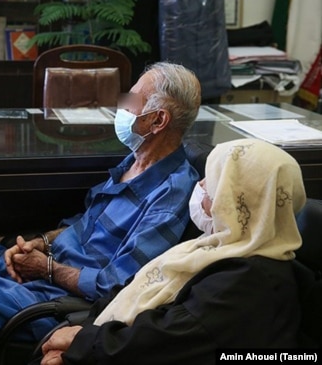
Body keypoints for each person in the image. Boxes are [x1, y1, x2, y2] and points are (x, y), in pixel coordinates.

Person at [0, 62, 202, 365]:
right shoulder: (132, 163)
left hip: (54, 299)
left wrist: (46, 269)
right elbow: (83, 225)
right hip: (41, 268)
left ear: (158, 120)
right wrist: (41, 242)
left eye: (132, 100)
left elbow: (119, 285)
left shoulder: (170, 192)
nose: (121, 107)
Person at [40, 138, 305, 365]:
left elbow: (162, 341)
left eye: (211, 184)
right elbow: (129, 288)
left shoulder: (250, 280)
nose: (200, 186)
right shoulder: (212, 246)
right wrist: (83, 331)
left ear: (235, 203)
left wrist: (80, 345)